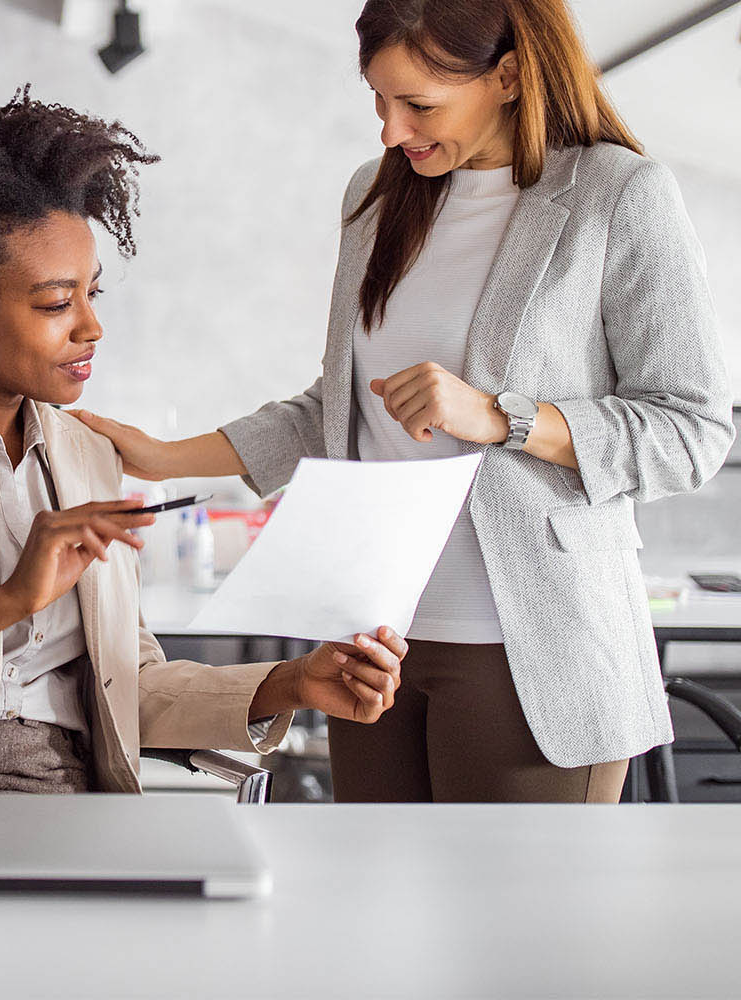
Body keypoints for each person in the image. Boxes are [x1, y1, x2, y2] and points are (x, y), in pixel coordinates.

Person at [73, 0, 734, 802]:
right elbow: (339, 406)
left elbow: (689, 428)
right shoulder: (377, 198)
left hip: (531, 649)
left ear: (511, 75)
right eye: (379, 101)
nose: (391, 131)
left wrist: (500, 417)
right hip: (369, 643)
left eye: (418, 105)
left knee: (517, 927)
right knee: (376, 918)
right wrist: (163, 459)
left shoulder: (617, 194)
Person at [0, 89, 408, 795]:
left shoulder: (85, 456)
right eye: (57, 303)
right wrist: (6, 601)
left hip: (68, 799)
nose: (91, 328)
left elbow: (130, 682)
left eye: (93, 294)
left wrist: (292, 682)